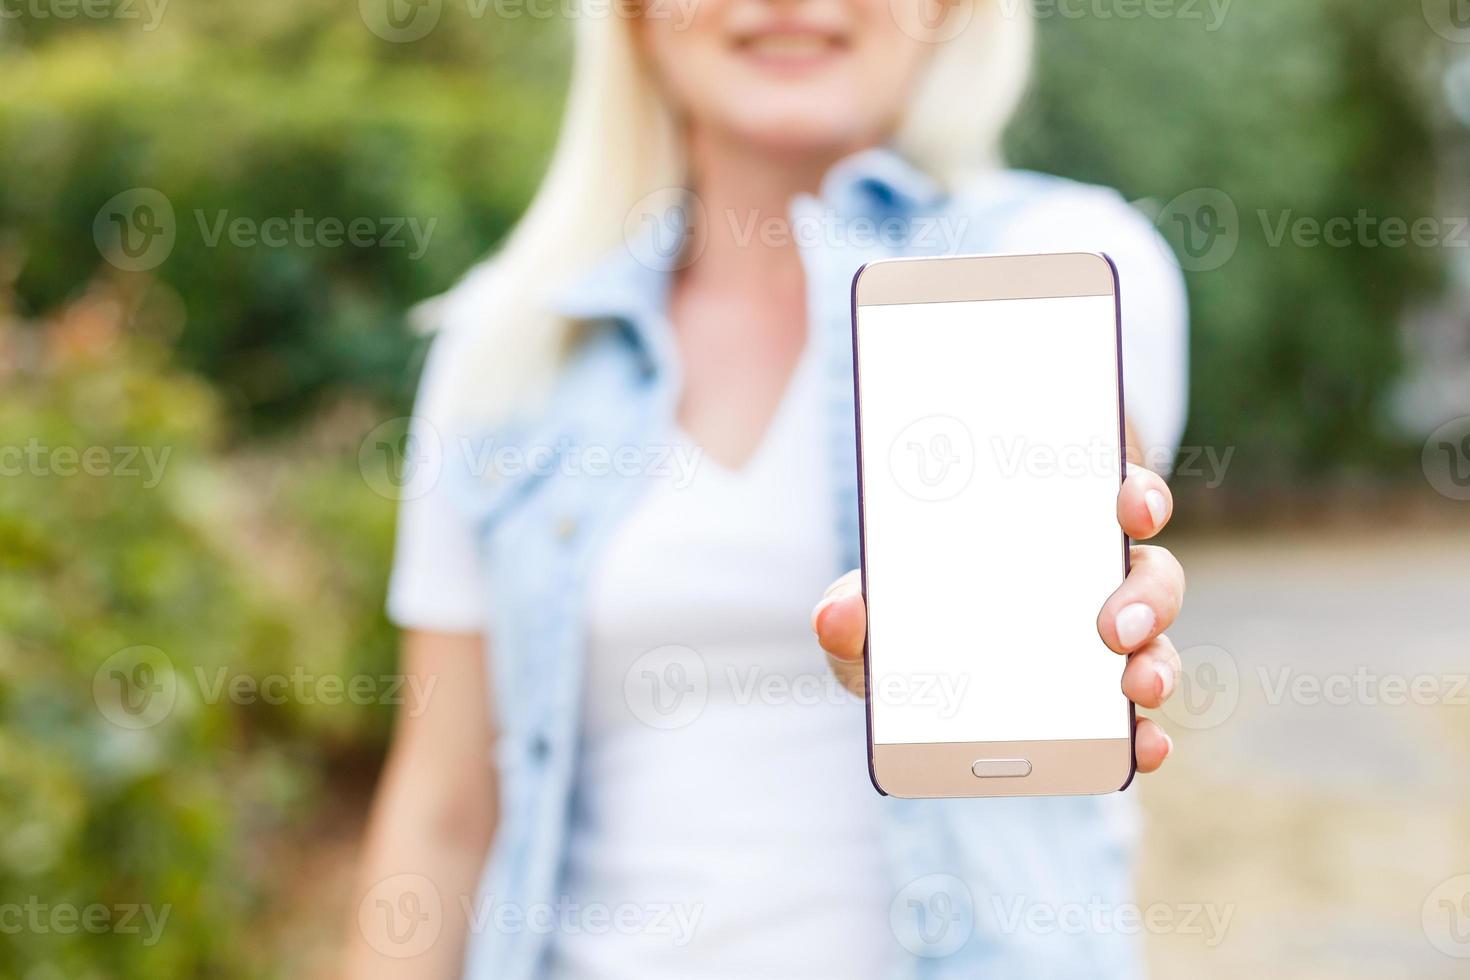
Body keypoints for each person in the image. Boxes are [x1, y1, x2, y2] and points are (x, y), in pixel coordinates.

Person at [345, 0, 1189, 976]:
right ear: (632, 17)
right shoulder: (509, 344)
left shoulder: (1058, 257)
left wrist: (1055, 613)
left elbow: (1084, 568)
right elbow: (440, 814)